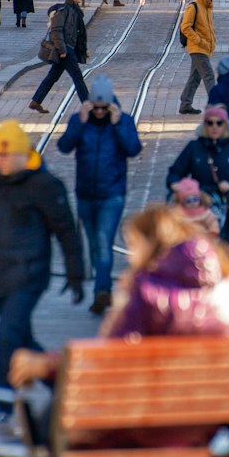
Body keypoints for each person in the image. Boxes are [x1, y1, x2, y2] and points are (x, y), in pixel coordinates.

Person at [9, 205, 229, 457]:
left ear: (151, 244)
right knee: (69, 414)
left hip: (147, 423)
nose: (132, 255)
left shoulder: (146, 289)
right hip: (207, 421)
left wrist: (42, 365)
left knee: (72, 422)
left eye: (133, 245)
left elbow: (106, 359)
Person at [0, 120, 82, 415]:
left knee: (7, 337)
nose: (0, 161)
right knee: (20, 337)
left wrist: (76, 273)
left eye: (5, 156)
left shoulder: (45, 185)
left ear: (23, 154)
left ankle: (3, 402)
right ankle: (65, 384)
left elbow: (66, 230)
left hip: (29, 273)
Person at [58, 73, 142, 314]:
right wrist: (79, 123)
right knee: (94, 245)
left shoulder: (123, 120)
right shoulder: (80, 119)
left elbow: (133, 149)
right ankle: (102, 288)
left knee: (104, 243)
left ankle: (101, 292)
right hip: (85, 193)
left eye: (104, 108)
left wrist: (116, 125)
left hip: (112, 194)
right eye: (96, 108)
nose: (99, 113)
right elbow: (64, 147)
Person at [167, 103, 229, 254]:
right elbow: (175, 172)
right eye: (210, 123)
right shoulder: (195, 147)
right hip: (200, 206)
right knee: (201, 253)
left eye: (219, 123)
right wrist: (176, 184)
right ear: (205, 125)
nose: (214, 127)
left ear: (225, 125)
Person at [29, 0, 89, 112]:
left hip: (68, 48)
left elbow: (78, 33)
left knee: (52, 76)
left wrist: (84, 49)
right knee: (78, 78)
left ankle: (36, 101)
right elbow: (56, 31)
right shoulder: (64, 10)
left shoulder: (75, 11)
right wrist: (62, 49)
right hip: (65, 50)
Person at [178, 0, 218, 115]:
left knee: (195, 78)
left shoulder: (207, 8)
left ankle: (185, 104)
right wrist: (200, 41)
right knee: (209, 75)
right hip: (197, 48)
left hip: (204, 48)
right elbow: (185, 27)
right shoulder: (194, 7)